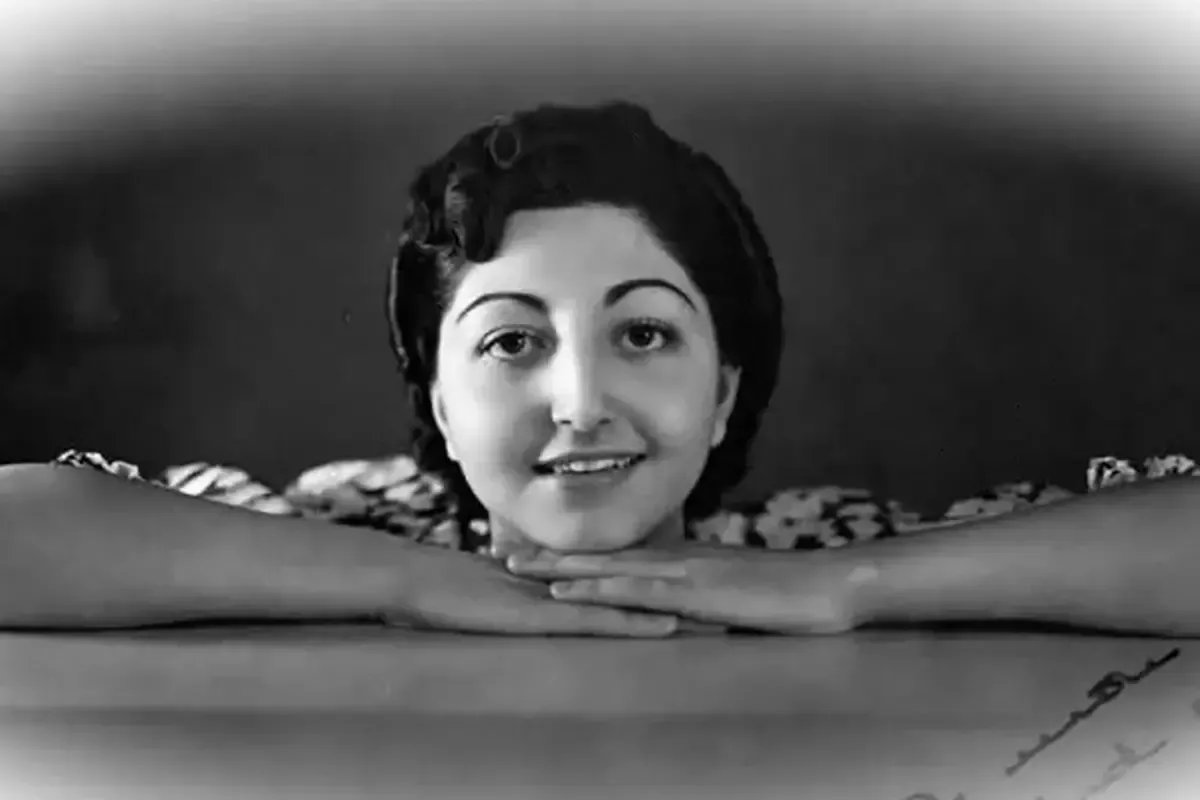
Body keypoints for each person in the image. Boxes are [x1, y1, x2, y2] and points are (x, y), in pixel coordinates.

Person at [1, 100, 1198, 638]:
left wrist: (848, 586)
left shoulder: (818, 544)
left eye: (643, 334)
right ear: (438, 399)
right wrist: (406, 585)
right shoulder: (340, 523)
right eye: (512, 341)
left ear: (723, 388)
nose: (579, 403)